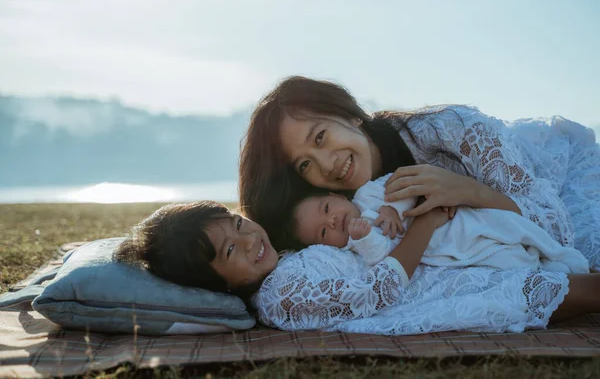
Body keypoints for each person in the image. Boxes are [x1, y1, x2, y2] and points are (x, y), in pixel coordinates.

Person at [238, 76, 600, 272]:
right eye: (304, 165)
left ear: (348, 113)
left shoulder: (453, 130)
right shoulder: (339, 212)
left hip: (571, 180)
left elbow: (555, 227)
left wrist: (467, 189)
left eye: (320, 136)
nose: (327, 164)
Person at [114, 201, 600, 334]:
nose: (247, 240)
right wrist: (424, 225)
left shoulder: (285, 259)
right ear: (215, 284)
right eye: (228, 253)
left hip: (439, 271)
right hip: (436, 296)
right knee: (576, 290)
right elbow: (377, 293)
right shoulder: (282, 298)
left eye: (238, 224)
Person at [284, 173, 589, 278]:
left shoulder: (369, 193)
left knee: (507, 225)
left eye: (327, 208)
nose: (333, 220)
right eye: (324, 231)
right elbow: (381, 258)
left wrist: (392, 207)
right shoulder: (353, 244)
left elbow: (410, 187)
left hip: (457, 220)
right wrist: (364, 240)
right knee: (502, 258)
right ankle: (544, 270)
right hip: (444, 249)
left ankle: (557, 253)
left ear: (335, 194)